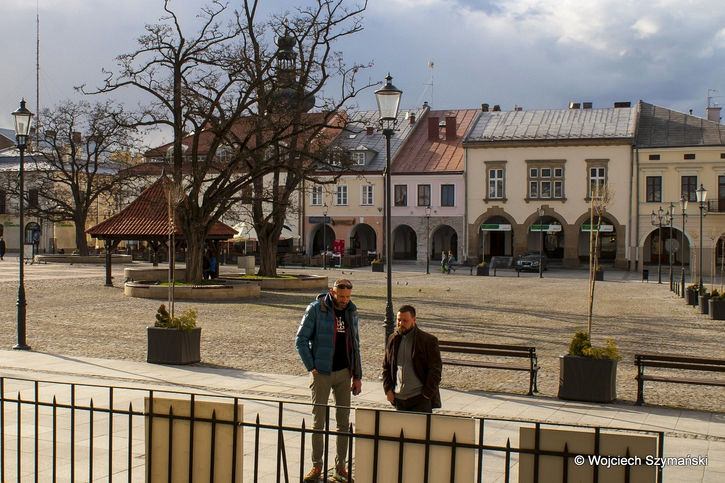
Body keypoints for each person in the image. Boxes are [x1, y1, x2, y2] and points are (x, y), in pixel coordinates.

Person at [296, 278, 362, 482]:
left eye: (347, 296)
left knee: (343, 423)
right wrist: (312, 367)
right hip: (322, 373)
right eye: (341, 296)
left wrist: (357, 375)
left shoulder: (352, 311)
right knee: (319, 422)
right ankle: (317, 466)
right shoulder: (316, 308)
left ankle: (340, 467)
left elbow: (356, 344)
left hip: (344, 373)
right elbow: (300, 340)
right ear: (332, 293)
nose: (344, 300)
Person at [382, 305, 442, 413]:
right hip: (399, 398)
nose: (401, 324)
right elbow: (386, 366)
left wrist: (427, 394)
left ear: (414, 320)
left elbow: (435, 370)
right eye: (399, 320)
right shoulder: (392, 339)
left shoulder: (427, 341)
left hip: (420, 398)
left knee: (420, 430)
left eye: (405, 321)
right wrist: (388, 390)